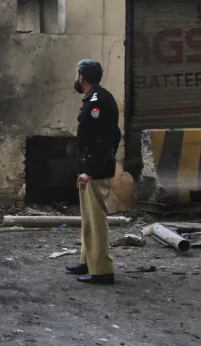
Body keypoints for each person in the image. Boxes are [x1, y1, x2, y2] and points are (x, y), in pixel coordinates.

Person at [65, 59, 120, 285]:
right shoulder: (96, 97)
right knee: (88, 219)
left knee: (96, 221)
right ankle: (88, 261)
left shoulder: (98, 101)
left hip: (96, 171)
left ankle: (102, 270)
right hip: (90, 168)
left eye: (77, 74)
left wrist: (90, 171)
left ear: (81, 77)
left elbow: (104, 140)